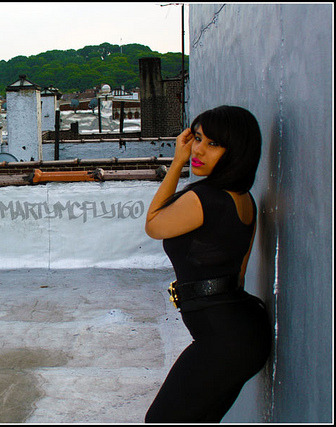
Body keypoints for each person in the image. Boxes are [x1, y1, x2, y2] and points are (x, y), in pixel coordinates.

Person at [143, 105, 272, 423]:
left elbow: (154, 224)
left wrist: (177, 162)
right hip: (244, 332)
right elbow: (238, 273)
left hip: (224, 340)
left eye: (213, 144)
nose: (198, 150)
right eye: (197, 138)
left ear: (236, 151)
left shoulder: (203, 199)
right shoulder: (243, 198)